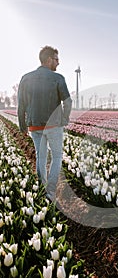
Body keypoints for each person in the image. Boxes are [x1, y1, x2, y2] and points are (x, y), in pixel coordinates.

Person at [17, 45, 72, 201]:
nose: (58, 63)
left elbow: (21, 105)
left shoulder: (26, 78)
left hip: (35, 125)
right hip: (54, 125)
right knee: (57, 156)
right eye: (56, 59)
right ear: (49, 60)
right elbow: (68, 101)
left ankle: (42, 189)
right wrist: (65, 119)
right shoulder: (58, 78)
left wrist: (22, 126)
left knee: (41, 157)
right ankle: (51, 191)